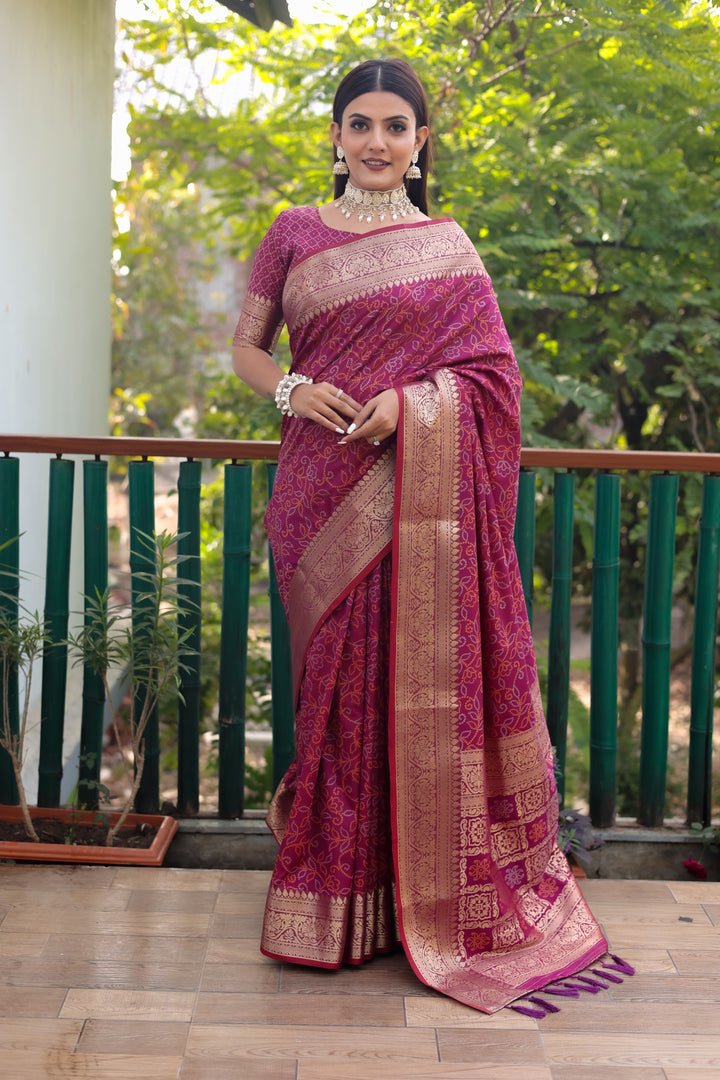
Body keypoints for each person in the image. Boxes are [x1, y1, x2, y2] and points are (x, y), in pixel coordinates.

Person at [232, 57, 612, 1015]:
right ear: (333, 136)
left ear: (421, 142)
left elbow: (493, 379)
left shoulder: (448, 246)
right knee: (336, 696)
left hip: (416, 492)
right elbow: (246, 344)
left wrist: (412, 407)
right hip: (318, 493)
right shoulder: (292, 234)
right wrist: (289, 388)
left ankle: (424, 900)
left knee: (415, 687)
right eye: (358, 124)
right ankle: (334, 903)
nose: (374, 142)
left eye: (395, 127)